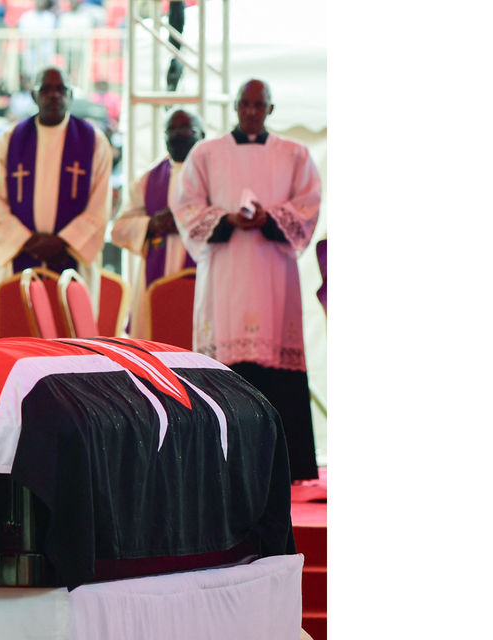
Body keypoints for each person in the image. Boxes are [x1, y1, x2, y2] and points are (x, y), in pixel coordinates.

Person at [171, 79, 322, 481]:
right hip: (225, 279)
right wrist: (226, 219)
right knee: (225, 367)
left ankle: (283, 466)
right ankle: (220, 465)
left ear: (271, 110)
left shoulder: (294, 154)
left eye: (259, 105)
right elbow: (186, 207)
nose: (251, 111)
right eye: (245, 103)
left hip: (274, 280)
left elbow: (307, 206)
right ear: (235, 106)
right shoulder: (206, 153)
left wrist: (269, 219)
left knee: (275, 363)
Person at [0, 67, 113, 301]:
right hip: (19, 259)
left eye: (61, 89)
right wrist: (26, 242)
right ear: (33, 95)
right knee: (18, 331)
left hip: (71, 262)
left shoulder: (94, 142)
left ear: (71, 95)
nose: (54, 96)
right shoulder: (8, 142)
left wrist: (63, 243)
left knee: (68, 334)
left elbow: (100, 204)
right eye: (46, 89)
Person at [111, 109, 204, 339]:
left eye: (186, 129)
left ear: (202, 135)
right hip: (154, 278)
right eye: (171, 130)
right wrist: (152, 224)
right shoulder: (147, 180)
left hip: (201, 279)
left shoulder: (214, 175)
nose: (178, 135)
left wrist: (186, 221)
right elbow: (120, 229)